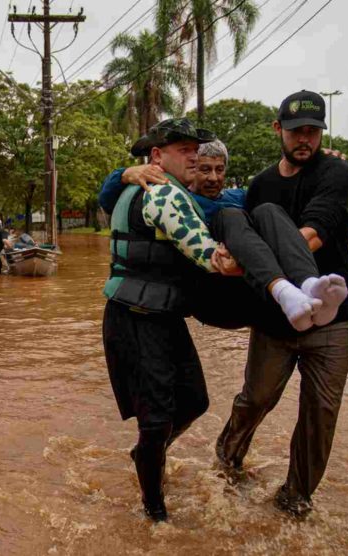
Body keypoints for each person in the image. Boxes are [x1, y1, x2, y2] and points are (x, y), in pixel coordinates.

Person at [215, 90, 348, 518]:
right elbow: (237, 226)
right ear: (278, 130)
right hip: (274, 320)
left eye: (313, 132)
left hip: (332, 319)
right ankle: (226, 463)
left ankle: (295, 499)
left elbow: (314, 234)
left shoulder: (337, 173)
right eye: (297, 132)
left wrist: (249, 265)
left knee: (320, 415)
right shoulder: (261, 185)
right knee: (255, 399)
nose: (305, 141)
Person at [101, 118, 225, 522]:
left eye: (197, 148)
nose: (196, 156)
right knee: (156, 421)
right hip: (136, 317)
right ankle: (155, 515)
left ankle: (147, 456)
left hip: (163, 316)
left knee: (194, 400)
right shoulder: (161, 195)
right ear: (156, 157)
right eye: (185, 150)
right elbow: (208, 257)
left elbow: (226, 202)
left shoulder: (169, 192)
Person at [100, 137, 347, 332]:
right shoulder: (178, 199)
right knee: (229, 216)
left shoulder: (240, 197)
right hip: (212, 290)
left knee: (269, 211)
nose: (213, 178)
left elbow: (286, 193)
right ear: (192, 168)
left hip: (249, 289)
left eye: (219, 170)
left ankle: (307, 286)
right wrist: (123, 174)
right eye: (205, 169)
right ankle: (285, 291)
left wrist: (322, 165)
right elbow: (112, 202)